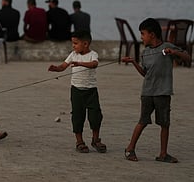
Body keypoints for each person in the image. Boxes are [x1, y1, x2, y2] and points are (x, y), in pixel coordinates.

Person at [122, 18, 190, 163]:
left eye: (143, 34)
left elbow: (187, 57)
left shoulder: (167, 47)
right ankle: (130, 148)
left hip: (163, 93)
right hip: (147, 93)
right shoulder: (145, 52)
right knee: (143, 121)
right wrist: (133, 62)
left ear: (152, 34)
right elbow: (145, 74)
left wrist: (174, 52)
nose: (141, 37)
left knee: (164, 123)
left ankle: (163, 154)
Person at [48, 30, 106, 153]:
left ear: (85, 44)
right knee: (78, 116)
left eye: (75, 43)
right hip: (76, 91)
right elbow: (63, 66)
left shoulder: (93, 54)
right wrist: (56, 69)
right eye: (73, 43)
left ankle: (96, 139)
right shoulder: (73, 54)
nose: (73, 46)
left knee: (95, 115)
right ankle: (79, 141)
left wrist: (80, 63)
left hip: (91, 91)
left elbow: (94, 64)